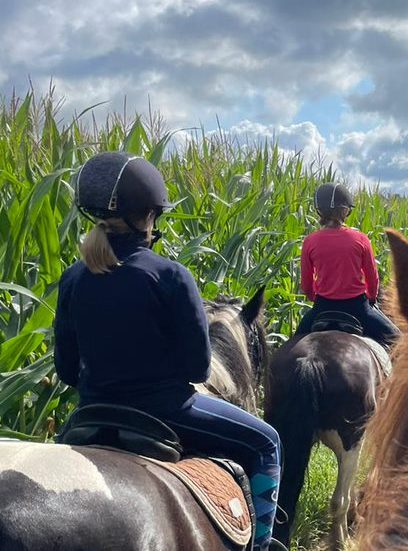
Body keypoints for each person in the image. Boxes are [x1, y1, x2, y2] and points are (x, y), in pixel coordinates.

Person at [54, 152, 281, 551]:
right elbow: (197, 367)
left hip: (91, 411)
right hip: (166, 409)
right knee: (266, 443)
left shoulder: (73, 278)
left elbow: (67, 370)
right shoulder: (171, 276)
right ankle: (261, 546)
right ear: (148, 216)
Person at [296, 183, 399, 348]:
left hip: (322, 306)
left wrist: (316, 298)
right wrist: (371, 298)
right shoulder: (361, 239)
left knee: (292, 344)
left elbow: (306, 285)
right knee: (399, 341)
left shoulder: (310, 241)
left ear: (319, 210)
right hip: (357, 307)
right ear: (345, 210)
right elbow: (373, 280)